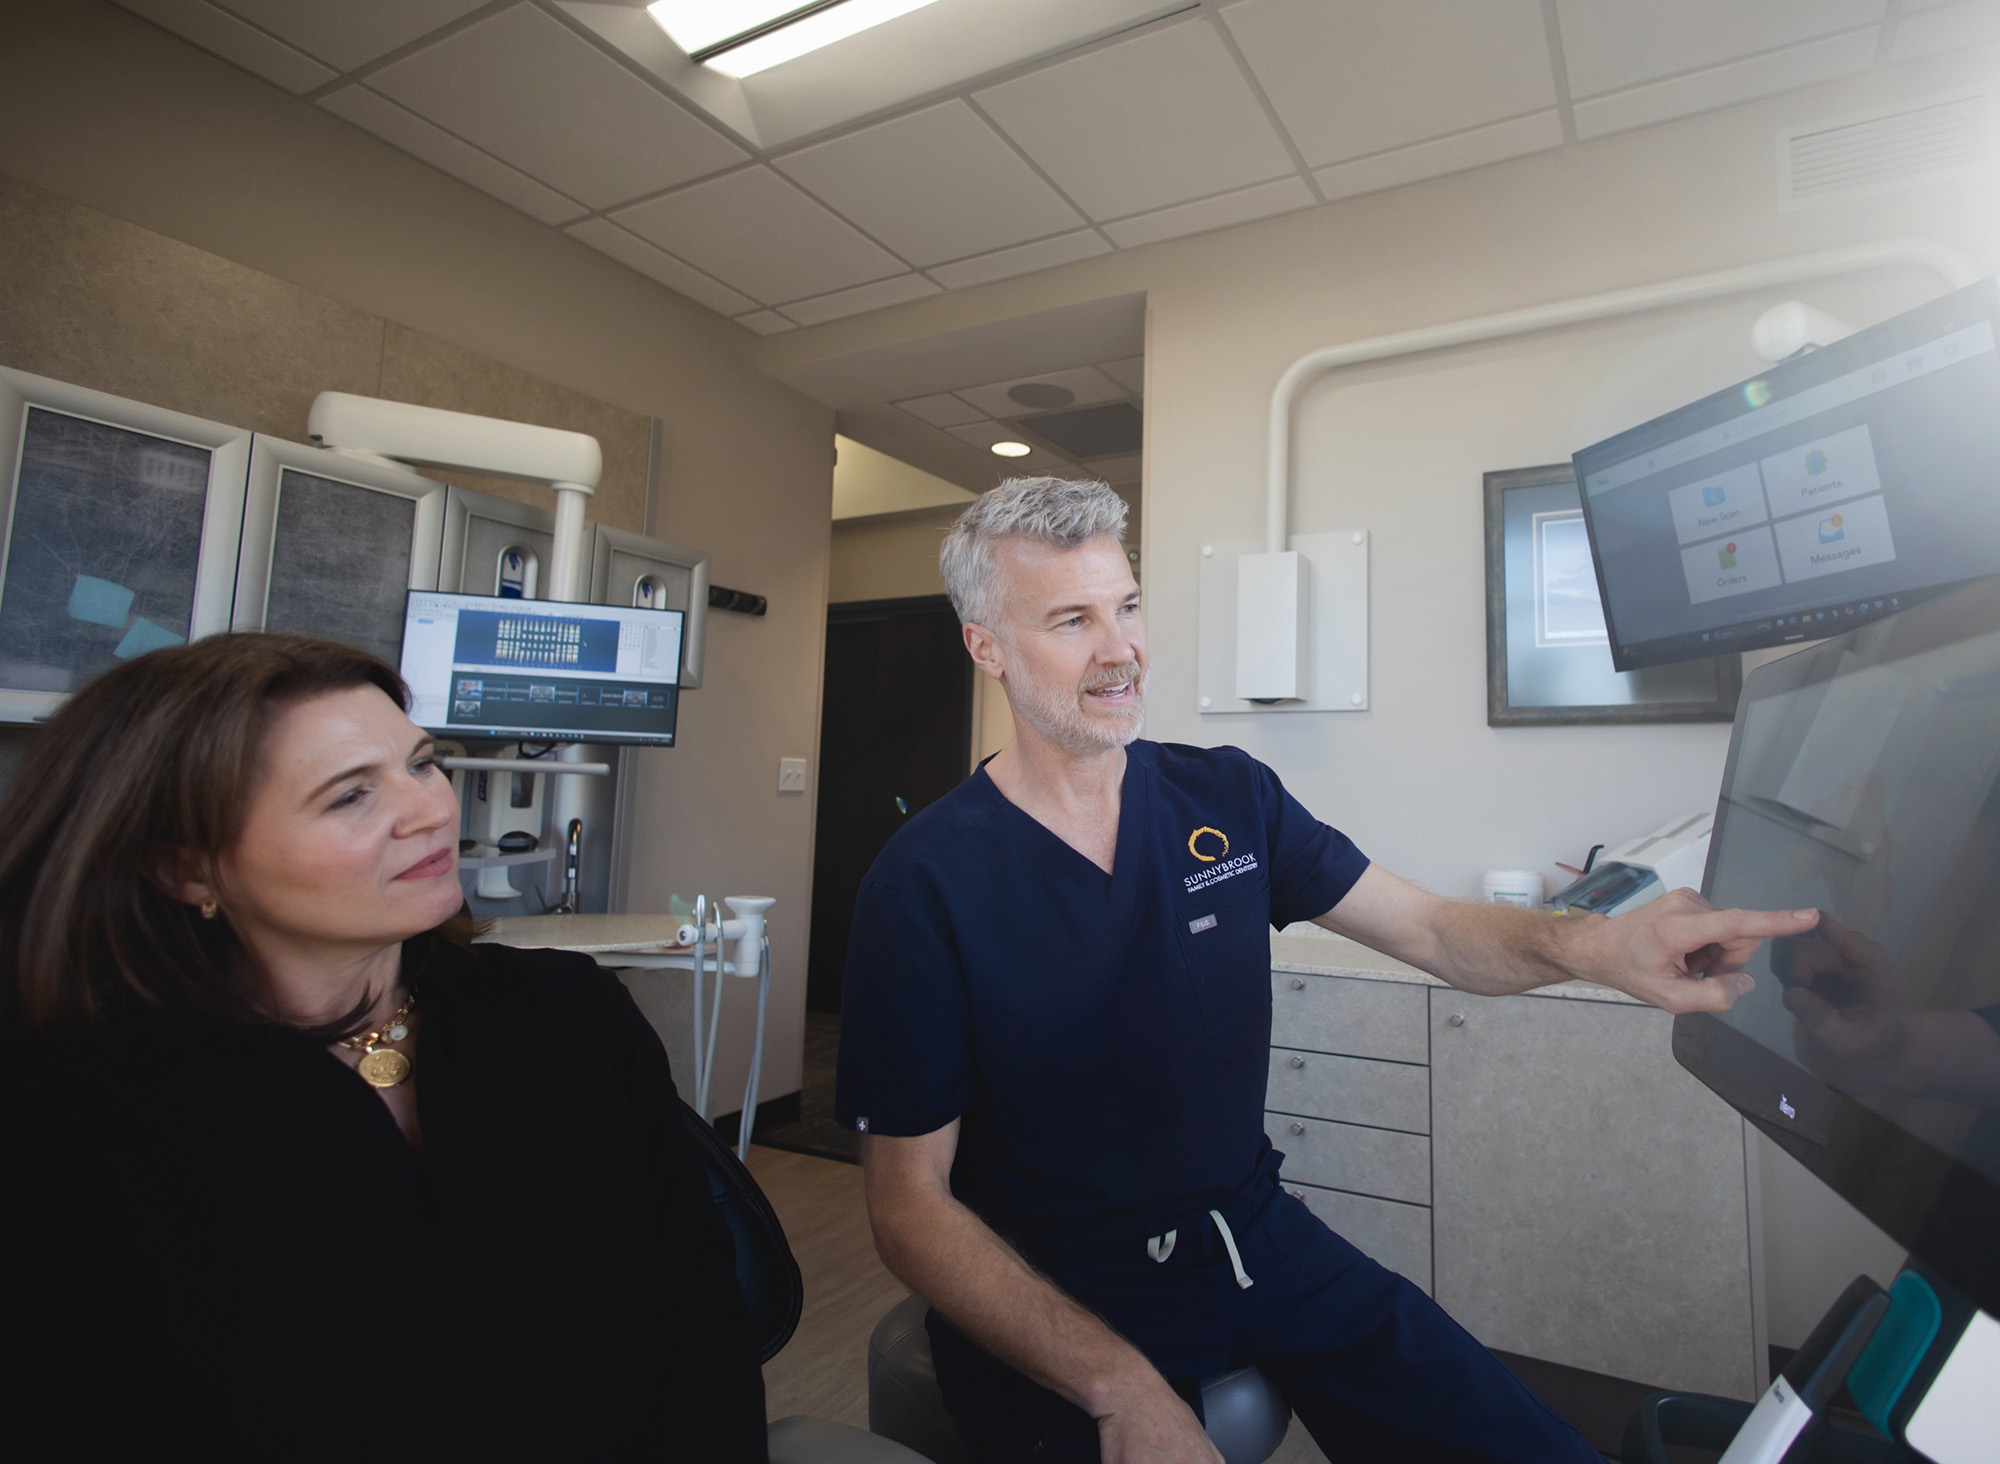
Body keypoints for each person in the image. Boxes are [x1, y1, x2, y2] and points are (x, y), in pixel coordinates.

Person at [835, 477, 1819, 1463]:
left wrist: (1592, 946)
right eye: (1072, 620)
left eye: (1128, 606)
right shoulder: (926, 882)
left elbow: (1431, 931)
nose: (1120, 649)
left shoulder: (1225, 797)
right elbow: (908, 1206)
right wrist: (1116, 1385)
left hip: (1255, 1238)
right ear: (987, 647)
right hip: (1056, 1280)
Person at [0, 633, 767, 1462]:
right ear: (187, 869)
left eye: (423, 762)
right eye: (350, 796)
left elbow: (698, 1317)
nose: (434, 809)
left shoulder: (567, 1016)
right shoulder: (76, 1119)